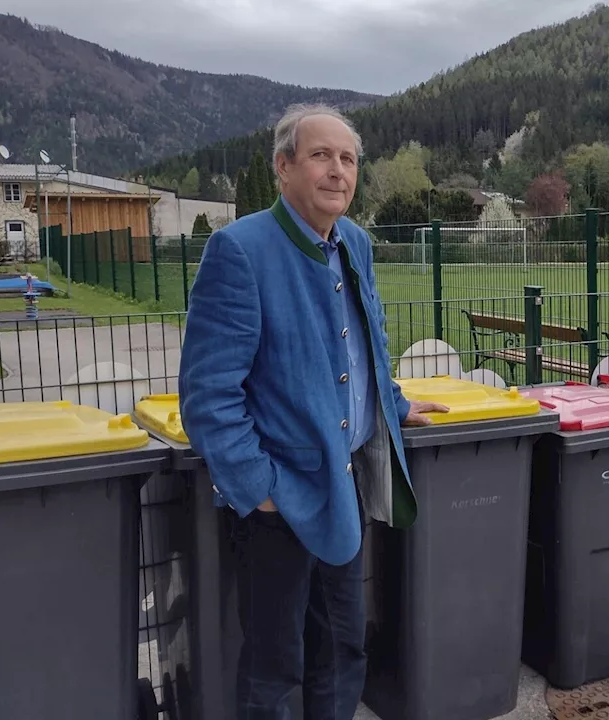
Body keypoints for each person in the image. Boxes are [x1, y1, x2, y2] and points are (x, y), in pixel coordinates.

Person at [178, 102, 447, 719]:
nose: (337, 172)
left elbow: (366, 339)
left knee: (343, 649)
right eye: (320, 156)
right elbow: (207, 395)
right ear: (284, 167)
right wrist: (259, 488)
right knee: (274, 666)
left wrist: (395, 405)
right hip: (278, 499)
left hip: (342, 486)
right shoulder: (240, 250)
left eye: (348, 159)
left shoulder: (353, 242)